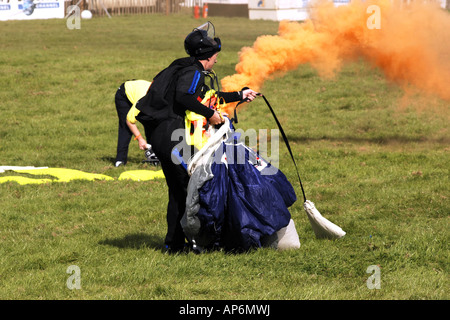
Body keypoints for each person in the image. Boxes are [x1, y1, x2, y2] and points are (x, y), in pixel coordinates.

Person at [134, 21, 259, 252]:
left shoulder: (184, 67)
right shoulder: (193, 72)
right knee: (187, 189)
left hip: (164, 136)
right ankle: (188, 243)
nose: (217, 60)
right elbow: (184, 97)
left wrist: (239, 95)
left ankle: (176, 245)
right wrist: (211, 115)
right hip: (170, 137)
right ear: (206, 57)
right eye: (215, 56)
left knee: (180, 190)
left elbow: (205, 96)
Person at [114, 79, 152, 167]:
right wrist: (140, 138)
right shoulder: (142, 101)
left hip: (139, 90)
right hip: (124, 95)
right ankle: (120, 160)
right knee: (126, 129)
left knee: (151, 124)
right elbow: (129, 121)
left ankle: (153, 155)